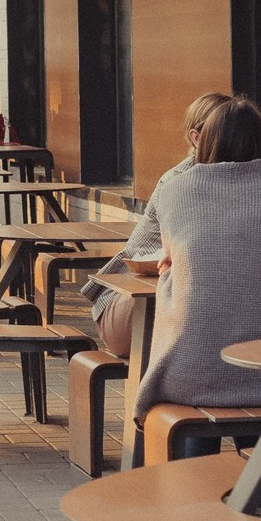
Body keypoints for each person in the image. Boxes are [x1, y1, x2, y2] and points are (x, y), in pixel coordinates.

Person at [131, 97, 261, 453]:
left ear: (205, 141)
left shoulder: (175, 188)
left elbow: (171, 256)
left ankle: (190, 491)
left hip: (187, 374)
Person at [80, 91, 231, 354]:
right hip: (127, 299)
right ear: (196, 138)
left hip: (173, 296)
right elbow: (182, 258)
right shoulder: (178, 183)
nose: (234, 139)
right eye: (225, 131)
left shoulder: (244, 181)